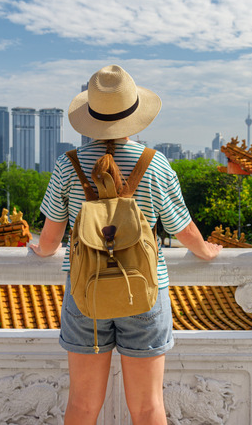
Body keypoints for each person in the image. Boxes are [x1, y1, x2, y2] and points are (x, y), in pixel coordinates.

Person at [30, 64, 222, 424]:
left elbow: (50, 240)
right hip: (144, 291)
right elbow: (183, 228)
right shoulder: (156, 163)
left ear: (90, 115)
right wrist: (207, 250)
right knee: (148, 406)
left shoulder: (66, 164)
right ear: (135, 114)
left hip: (84, 292)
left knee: (83, 405)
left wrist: (38, 250)